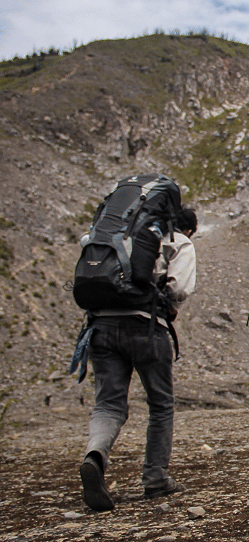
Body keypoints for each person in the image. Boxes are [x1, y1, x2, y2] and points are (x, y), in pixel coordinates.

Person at [79, 207, 198, 511]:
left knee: (108, 403)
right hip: (146, 326)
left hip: (100, 326)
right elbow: (179, 288)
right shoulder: (179, 242)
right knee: (160, 403)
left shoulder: (113, 235)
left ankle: (95, 455)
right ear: (189, 230)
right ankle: (155, 478)